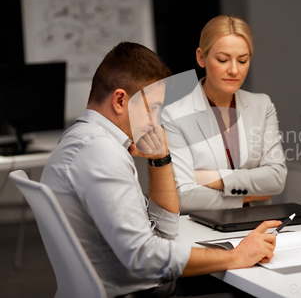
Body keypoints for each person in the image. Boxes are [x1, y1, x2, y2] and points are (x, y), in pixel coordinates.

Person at [40, 42, 280, 298]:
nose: (156, 121)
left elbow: (164, 232)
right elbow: (143, 256)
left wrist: (160, 159)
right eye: (153, 108)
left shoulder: (85, 140)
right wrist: (234, 256)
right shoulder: (101, 152)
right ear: (120, 100)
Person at [162, 15, 287, 214]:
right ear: (201, 58)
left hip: (260, 224)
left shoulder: (262, 105)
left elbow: (277, 179)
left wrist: (215, 178)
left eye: (243, 60)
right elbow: (184, 196)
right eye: (223, 59)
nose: (234, 70)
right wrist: (252, 194)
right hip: (203, 229)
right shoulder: (174, 115)